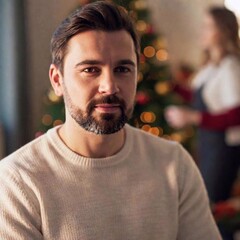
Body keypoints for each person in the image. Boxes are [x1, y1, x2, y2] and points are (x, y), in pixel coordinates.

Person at [0, 1, 221, 239]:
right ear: (57, 80)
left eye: (123, 69)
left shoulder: (174, 165)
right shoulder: (18, 182)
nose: (110, 86)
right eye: (91, 70)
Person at [165, 7, 240, 205]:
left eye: (208, 27)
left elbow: (236, 115)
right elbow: (202, 99)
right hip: (208, 143)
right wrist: (172, 86)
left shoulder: (230, 67)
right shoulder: (210, 67)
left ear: (222, 31)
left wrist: (192, 118)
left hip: (222, 148)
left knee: (213, 203)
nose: (202, 32)